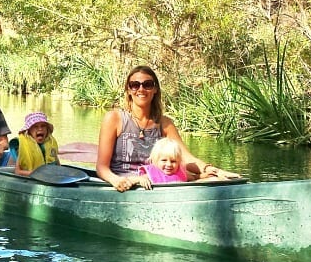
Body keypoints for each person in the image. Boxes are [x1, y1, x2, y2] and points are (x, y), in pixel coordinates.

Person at [96, 65, 239, 192]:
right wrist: (116, 181)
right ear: (128, 90)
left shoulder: (165, 124)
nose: (141, 89)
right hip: (125, 184)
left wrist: (214, 171)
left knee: (216, 180)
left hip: (157, 184)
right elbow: (102, 167)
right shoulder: (114, 119)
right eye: (135, 85)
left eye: (147, 84)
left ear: (155, 89)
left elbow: (186, 158)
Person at [12, 112, 61, 176]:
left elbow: (58, 166)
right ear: (29, 130)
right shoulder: (23, 145)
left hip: (50, 177)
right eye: (35, 126)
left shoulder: (50, 142)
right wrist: (38, 174)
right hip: (31, 178)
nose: (40, 129)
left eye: (43, 126)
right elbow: (17, 172)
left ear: (47, 129)